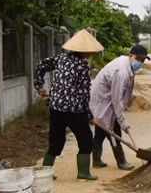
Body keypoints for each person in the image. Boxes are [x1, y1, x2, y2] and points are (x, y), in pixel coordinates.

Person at [34, 29, 103, 180]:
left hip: (55, 107)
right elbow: (84, 93)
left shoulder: (61, 59)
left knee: (56, 140)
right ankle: (83, 173)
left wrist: (38, 85)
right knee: (85, 140)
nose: (91, 53)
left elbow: (41, 65)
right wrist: (89, 115)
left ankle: (45, 173)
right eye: (90, 51)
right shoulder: (83, 67)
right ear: (84, 51)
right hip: (74, 110)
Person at [90, 45, 150, 170]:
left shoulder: (126, 65)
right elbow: (117, 100)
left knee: (101, 131)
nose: (140, 62)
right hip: (103, 101)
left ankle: (96, 160)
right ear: (130, 55)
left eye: (143, 60)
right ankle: (121, 161)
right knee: (114, 131)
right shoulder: (120, 72)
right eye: (138, 59)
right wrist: (123, 122)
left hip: (106, 100)